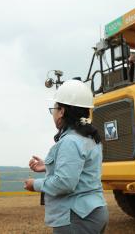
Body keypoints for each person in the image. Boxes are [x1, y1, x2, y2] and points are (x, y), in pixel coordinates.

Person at [24, 80, 108, 234]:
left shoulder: (70, 141)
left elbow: (64, 182)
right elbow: (81, 170)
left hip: (77, 217)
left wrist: (34, 184)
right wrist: (49, 166)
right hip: (91, 212)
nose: (53, 113)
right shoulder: (88, 137)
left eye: (54, 109)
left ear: (62, 111)